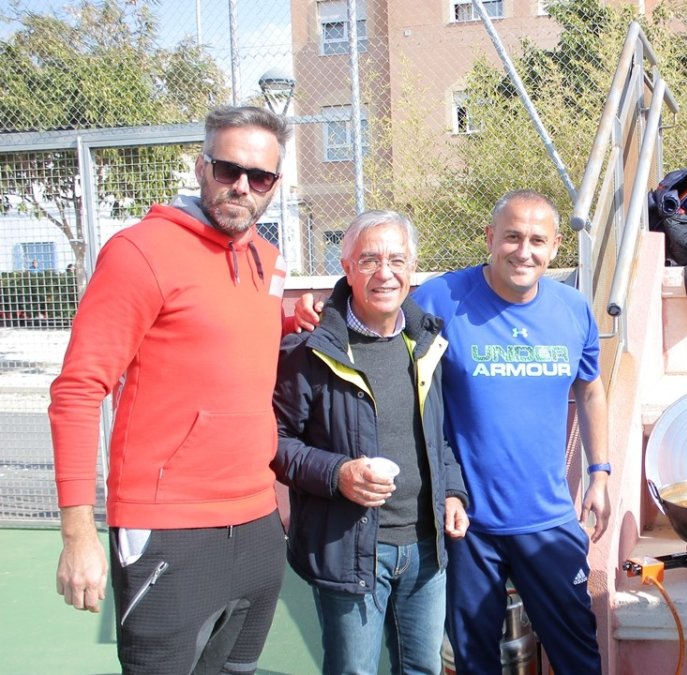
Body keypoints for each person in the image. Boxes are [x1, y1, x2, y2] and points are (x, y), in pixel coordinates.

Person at [48, 105, 318, 673]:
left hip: (257, 523)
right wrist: (78, 534)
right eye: (228, 169)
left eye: (260, 177)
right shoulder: (140, 252)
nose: (242, 186)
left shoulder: (267, 260)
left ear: (274, 185)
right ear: (201, 168)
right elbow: (77, 390)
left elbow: (226, 334)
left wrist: (291, 321)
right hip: (167, 528)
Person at [412, 189, 611, 674]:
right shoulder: (439, 300)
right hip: (466, 525)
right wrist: (316, 313)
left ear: (556, 246)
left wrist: (600, 473)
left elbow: (590, 391)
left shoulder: (573, 309)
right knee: (474, 661)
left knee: (578, 657)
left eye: (537, 240)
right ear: (490, 238)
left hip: (547, 520)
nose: (524, 251)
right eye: (512, 237)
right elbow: (375, 323)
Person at [272, 209, 469, 674]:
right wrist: (337, 474)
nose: (385, 273)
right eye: (369, 261)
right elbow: (276, 443)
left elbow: (437, 436)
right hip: (350, 550)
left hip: (425, 549)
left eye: (397, 260)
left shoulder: (427, 343)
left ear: (412, 268)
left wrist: (453, 492)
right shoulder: (310, 349)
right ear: (346, 268)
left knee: (423, 668)